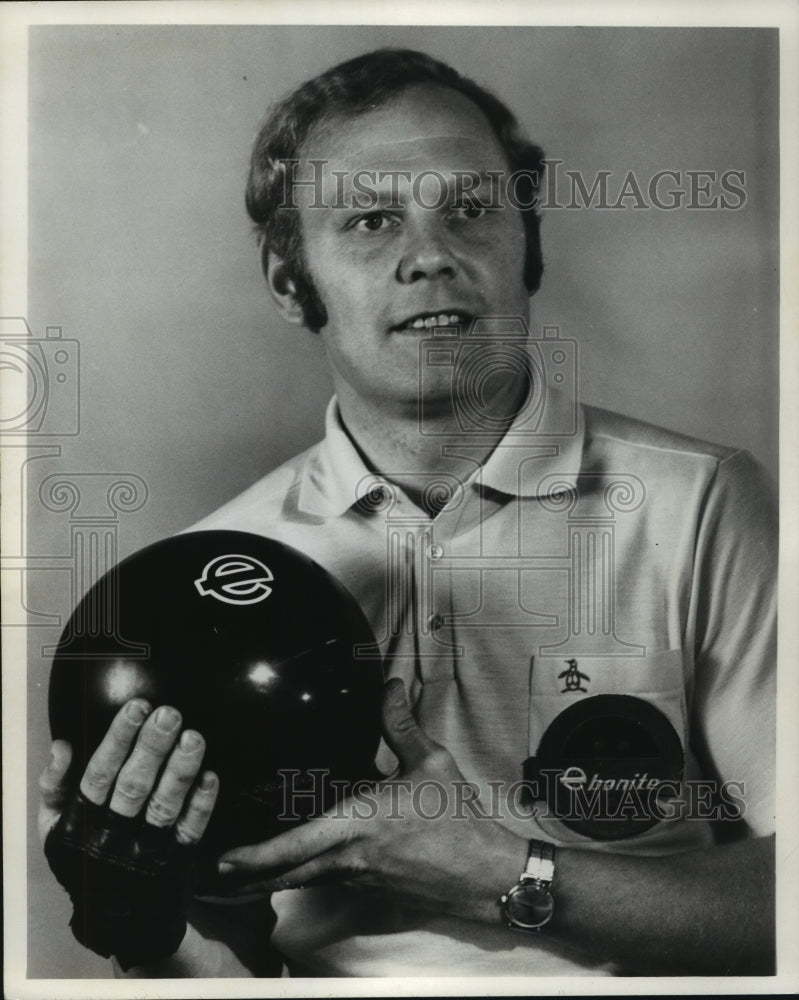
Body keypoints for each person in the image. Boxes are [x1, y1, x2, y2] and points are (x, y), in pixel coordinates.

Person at [38, 48, 776, 978]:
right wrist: (150, 933)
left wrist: (501, 876)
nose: (430, 256)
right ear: (287, 280)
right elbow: (224, 965)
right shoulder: (207, 577)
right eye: (371, 219)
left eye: (470, 209)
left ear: (528, 244)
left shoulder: (703, 503)